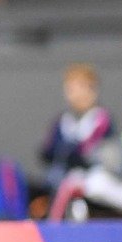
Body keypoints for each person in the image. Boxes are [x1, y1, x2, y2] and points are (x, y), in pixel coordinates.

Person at [39, 63, 114, 194]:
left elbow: (86, 152)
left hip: (90, 179)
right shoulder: (63, 120)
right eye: (71, 89)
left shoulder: (100, 118)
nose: (77, 94)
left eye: (82, 87)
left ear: (93, 90)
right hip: (61, 177)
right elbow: (47, 150)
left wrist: (67, 151)